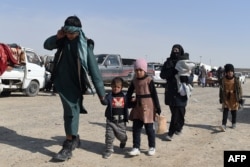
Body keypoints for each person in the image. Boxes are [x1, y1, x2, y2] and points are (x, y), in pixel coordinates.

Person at [43, 15, 105, 161]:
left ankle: (69, 144)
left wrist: (102, 93)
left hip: (75, 84)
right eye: (67, 33)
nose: (70, 36)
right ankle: (73, 139)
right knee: (70, 111)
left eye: (72, 33)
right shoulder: (62, 41)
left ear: (78, 31)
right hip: (61, 83)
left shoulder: (84, 45)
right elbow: (47, 45)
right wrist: (58, 37)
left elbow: (94, 69)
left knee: (71, 111)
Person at [126, 58, 161, 156]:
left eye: (140, 70)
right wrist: (127, 101)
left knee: (149, 129)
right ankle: (136, 147)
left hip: (148, 107)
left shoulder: (149, 80)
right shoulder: (134, 81)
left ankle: (152, 147)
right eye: (136, 70)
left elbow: (154, 94)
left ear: (144, 70)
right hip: (137, 107)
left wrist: (157, 107)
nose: (138, 72)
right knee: (136, 128)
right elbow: (129, 93)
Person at [160, 44, 192, 141]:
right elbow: (162, 75)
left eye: (177, 50)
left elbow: (191, 76)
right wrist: (172, 71)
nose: (176, 52)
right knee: (175, 112)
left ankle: (176, 129)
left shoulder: (185, 62)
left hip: (181, 91)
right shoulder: (168, 62)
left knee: (181, 111)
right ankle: (173, 131)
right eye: (174, 50)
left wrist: (186, 79)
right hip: (171, 91)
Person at [101, 77, 129, 159]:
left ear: (121, 87)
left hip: (121, 121)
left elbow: (130, 105)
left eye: (118, 87)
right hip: (111, 120)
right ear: (111, 86)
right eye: (114, 87)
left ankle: (123, 141)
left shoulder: (124, 97)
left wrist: (134, 101)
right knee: (109, 135)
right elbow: (105, 102)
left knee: (122, 136)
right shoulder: (109, 95)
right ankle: (109, 150)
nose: (115, 89)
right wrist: (102, 99)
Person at [219, 64, 243, 132]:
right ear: (226, 72)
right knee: (225, 111)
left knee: (234, 111)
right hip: (226, 97)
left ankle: (233, 123)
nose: (230, 73)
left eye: (231, 71)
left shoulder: (236, 80)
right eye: (228, 71)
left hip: (234, 97)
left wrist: (240, 98)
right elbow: (221, 90)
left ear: (233, 72)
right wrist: (221, 98)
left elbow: (240, 89)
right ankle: (224, 124)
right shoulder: (223, 80)